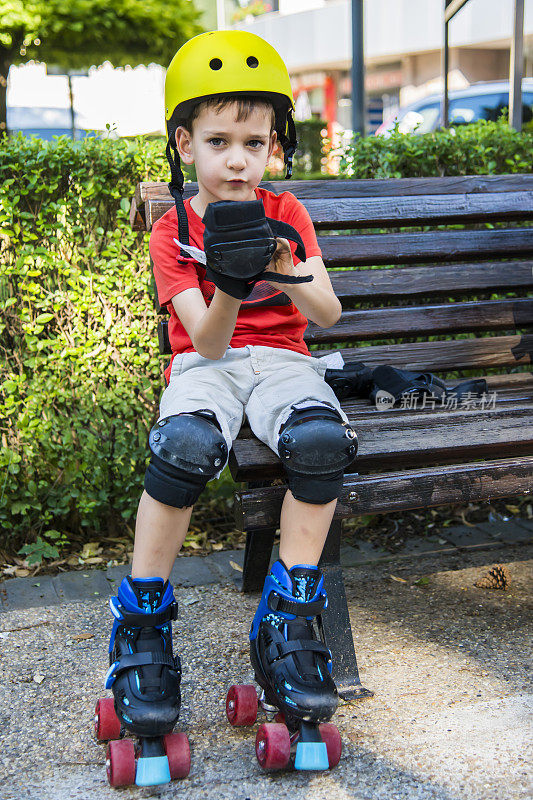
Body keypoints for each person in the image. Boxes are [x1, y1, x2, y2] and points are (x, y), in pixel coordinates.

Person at [104, 30, 358, 778]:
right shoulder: (170, 229)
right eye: (219, 140)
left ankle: (289, 609)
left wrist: (280, 269)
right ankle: (142, 616)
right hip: (205, 364)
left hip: (284, 361)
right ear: (185, 145)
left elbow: (327, 315)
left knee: (318, 445)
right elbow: (206, 345)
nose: (238, 159)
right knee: (181, 448)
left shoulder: (287, 212)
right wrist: (228, 283)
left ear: (275, 145)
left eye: (254, 141)